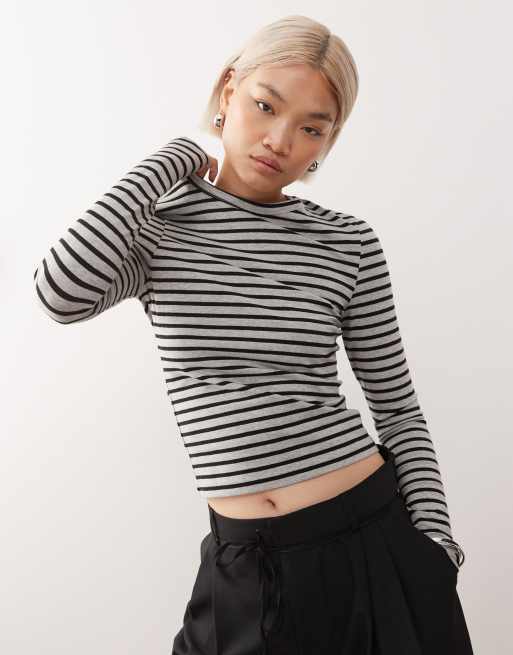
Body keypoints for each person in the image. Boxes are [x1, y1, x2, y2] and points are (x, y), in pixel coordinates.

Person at [33, 13, 473, 655]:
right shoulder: (161, 231)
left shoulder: (347, 243)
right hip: (242, 559)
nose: (279, 140)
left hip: (372, 541)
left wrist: (436, 546)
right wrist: (175, 157)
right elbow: (59, 294)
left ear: (327, 141)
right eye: (265, 106)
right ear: (228, 89)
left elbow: (397, 407)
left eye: (312, 128)